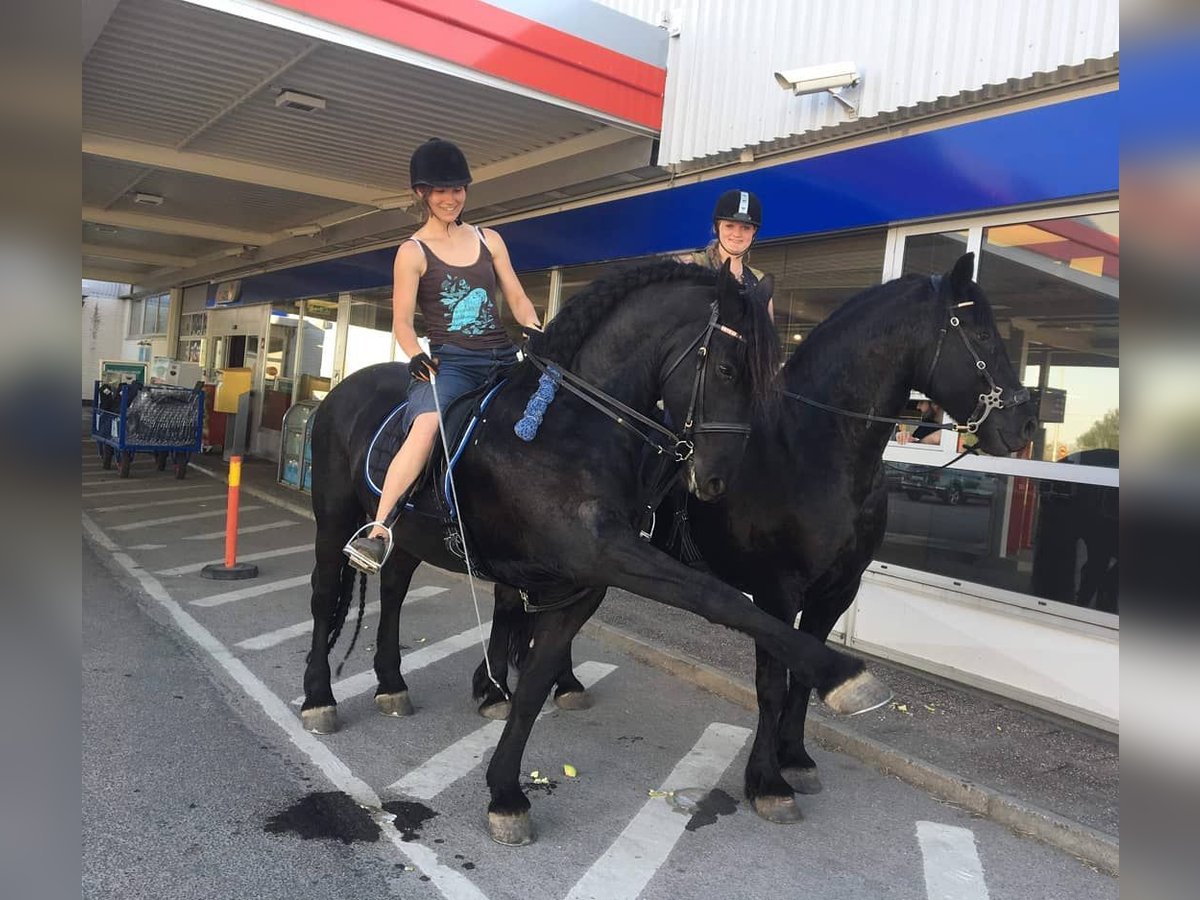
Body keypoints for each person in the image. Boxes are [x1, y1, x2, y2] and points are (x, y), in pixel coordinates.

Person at [343, 138, 542, 574]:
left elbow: (518, 299)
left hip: (504, 357)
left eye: (457, 189)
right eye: (440, 191)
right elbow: (400, 322)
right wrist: (414, 354)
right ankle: (378, 530)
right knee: (427, 426)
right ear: (422, 194)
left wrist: (534, 330)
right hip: (451, 364)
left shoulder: (490, 240)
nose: (450, 199)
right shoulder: (412, 252)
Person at [680, 189, 774, 318]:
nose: (737, 234)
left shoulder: (758, 280)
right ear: (717, 227)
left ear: (754, 233)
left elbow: (766, 332)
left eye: (745, 228)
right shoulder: (690, 265)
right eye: (730, 226)